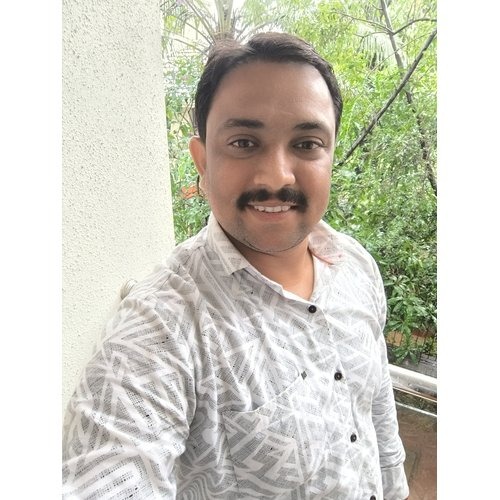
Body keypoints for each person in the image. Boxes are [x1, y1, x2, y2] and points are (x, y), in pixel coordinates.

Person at [62, 32, 410, 500]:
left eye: (307, 143)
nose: (276, 176)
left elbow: (377, 410)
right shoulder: (163, 326)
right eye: (244, 142)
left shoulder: (356, 267)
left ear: (330, 155)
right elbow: (107, 471)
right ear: (203, 161)